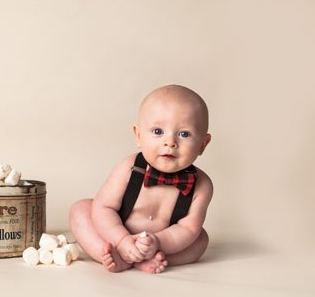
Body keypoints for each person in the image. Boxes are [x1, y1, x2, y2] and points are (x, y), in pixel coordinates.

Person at [69, 85, 212, 274]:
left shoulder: (202, 185)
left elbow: (188, 229)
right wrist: (121, 240)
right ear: (138, 135)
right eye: (158, 131)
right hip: (116, 232)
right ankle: (117, 255)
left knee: (200, 240)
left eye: (184, 134)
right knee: (80, 210)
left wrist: (159, 242)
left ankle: (151, 258)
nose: (170, 142)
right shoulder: (129, 168)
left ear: (202, 144)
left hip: (165, 243)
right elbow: (103, 208)